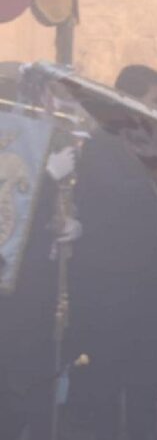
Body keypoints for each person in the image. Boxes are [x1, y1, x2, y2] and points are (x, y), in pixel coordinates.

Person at [70, 65, 157, 440]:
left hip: (152, 283)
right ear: (130, 102)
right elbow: (115, 197)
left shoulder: (156, 145)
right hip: (112, 285)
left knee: (146, 374)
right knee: (105, 375)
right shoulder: (102, 144)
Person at [0, 117, 81, 440]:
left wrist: (69, 223)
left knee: (34, 372)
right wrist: (47, 177)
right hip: (10, 290)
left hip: (34, 284)